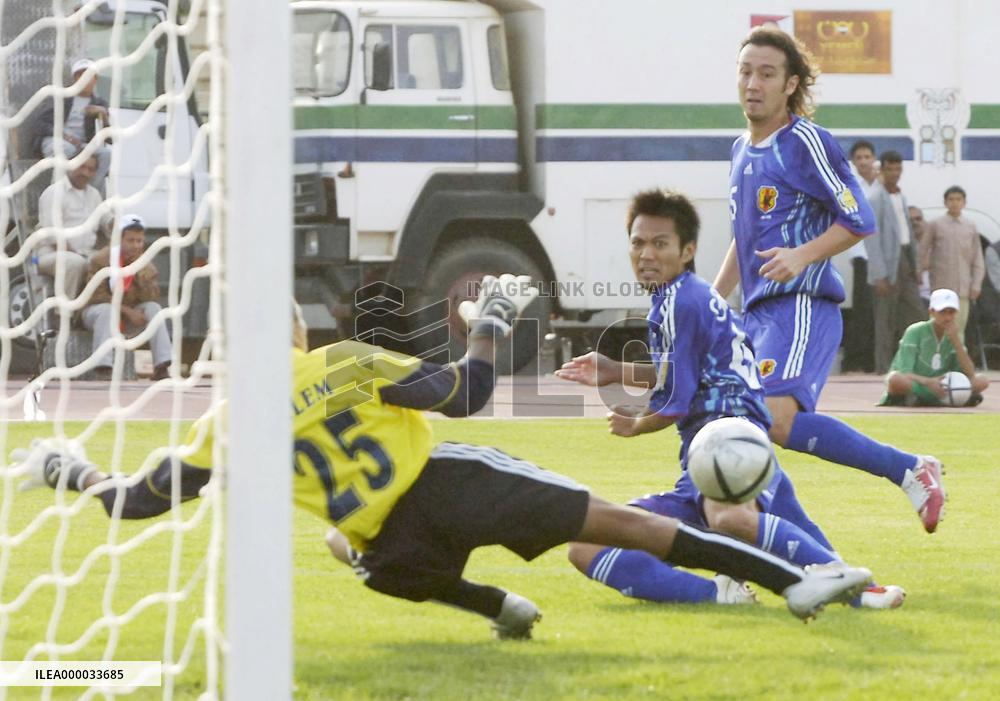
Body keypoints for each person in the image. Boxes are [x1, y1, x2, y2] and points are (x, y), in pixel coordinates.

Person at [13, 278, 873, 639]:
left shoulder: (222, 427)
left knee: (362, 557)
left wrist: (71, 470)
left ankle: (496, 602)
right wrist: (493, 319)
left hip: (398, 547)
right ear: (297, 333)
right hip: (452, 485)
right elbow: (466, 394)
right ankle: (790, 582)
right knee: (628, 522)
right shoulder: (341, 362)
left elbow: (137, 503)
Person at [556, 189, 902, 610]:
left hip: (727, 444)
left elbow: (675, 402)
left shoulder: (679, 303)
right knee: (587, 544)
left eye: (659, 243)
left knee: (731, 519)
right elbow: (689, 374)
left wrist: (636, 423)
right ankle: (736, 593)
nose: (646, 253)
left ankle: (834, 586)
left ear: (688, 250)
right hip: (720, 451)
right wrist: (616, 369)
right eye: (638, 242)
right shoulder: (687, 295)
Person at [711, 26, 946, 533]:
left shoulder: (803, 142)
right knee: (743, 432)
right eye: (745, 71)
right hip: (756, 315)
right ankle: (796, 560)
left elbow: (860, 218)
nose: (753, 83)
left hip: (799, 304)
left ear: (790, 84)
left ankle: (907, 470)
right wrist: (711, 300)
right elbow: (743, 235)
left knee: (771, 421)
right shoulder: (739, 149)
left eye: (767, 74)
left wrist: (800, 256)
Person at [80, 214, 171, 381]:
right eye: (130, 240)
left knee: (155, 309)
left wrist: (141, 274)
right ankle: (103, 367)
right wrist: (129, 312)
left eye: (139, 241)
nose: (135, 245)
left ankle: (162, 365)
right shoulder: (100, 260)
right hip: (97, 313)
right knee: (107, 311)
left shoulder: (143, 262)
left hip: (126, 315)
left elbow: (152, 297)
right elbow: (96, 297)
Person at [866, 151, 925, 374]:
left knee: (916, 313)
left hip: (905, 259)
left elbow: (907, 232)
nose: (894, 173)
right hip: (887, 265)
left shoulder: (901, 196)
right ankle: (883, 369)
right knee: (885, 320)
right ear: (882, 170)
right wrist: (879, 274)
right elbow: (872, 239)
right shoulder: (875, 198)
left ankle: (912, 365)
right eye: (889, 169)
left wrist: (916, 266)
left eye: (897, 169)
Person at [881, 288, 990, 407]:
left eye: (951, 312)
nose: (948, 317)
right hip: (918, 382)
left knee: (982, 381)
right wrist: (928, 382)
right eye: (942, 312)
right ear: (931, 312)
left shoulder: (954, 335)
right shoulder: (915, 331)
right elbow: (905, 371)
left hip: (943, 384)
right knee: (895, 379)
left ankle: (925, 398)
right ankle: (948, 397)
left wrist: (956, 341)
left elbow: (970, 373)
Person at [35, 153, 112, 299]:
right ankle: (62, 315)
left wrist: (118, 226)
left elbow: (106, 219)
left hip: (86, 253)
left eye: (90, 169)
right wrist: (80, 256)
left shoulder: (94, 195)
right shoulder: (54, 192)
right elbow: (53, 237)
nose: (85, 173)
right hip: (52, 254)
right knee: (75, 262)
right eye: (81, 166)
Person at [33, 59, 112, 193]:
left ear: (95, 79)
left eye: (89, 76)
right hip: (55, 140)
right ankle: (59, 195)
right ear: (75, 79)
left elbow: (109, 139)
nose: (85, 80)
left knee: (105, 154)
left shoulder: (99, 103)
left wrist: (103, 114)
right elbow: (39, 124)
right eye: (81, 75)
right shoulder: (61, 97)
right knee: (66, 150)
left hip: (80, 145)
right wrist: (66, 137)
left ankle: (91, 194)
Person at [921, 186, 985, 342]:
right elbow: (922, 251)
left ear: (964, 203)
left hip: (962, 288)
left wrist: (976, 284)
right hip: (941, 286)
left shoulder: (970, 227)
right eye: (951, 199)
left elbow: (977, 258)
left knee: (959, 328)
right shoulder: (935, 225)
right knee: (938, 327)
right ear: (945, 202)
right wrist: (921, 274)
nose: (955, 203)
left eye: (958, 199)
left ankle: (956, 363)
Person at [840, 140, 877, 373]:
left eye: (867, 156)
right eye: (859, 157)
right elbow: (849, 219)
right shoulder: (851, 187)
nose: (864, 161)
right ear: (853, 162)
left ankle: (876, 359)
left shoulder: (883, 186)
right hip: (863, 256)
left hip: (883, 258)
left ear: (874, 159)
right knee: (863, 310)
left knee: (880, 313)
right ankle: (856, 360)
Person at [909, 206, 931, 302]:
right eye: (910, 220)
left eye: (918, 219)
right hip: (914, 297)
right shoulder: (899, 247)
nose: (915, 223)